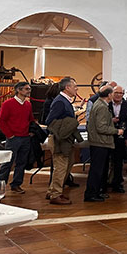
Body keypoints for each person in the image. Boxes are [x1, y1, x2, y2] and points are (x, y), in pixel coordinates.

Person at [45, 77, 82, 205]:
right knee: (60, 167)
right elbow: (50, 120)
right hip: (59, 139)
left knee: (67, 163)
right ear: (67, 87)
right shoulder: (60, 102)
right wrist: (68, 125)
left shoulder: (64, 101)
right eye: (75, 86)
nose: (76, 89)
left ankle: (52, 191)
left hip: (65, 139)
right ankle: (55, 194)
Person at [85, 85, 123, 202]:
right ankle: (91, 194)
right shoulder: (102, 107)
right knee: (97, 170)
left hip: (99, 142)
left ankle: (96, 192)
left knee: (98, 169)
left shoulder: (99, 104)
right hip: (100, 142)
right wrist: (117, 131)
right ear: (109, 95)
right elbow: (101, 127)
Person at [0, 82, 34, 194]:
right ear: (19, 90)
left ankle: (16, 184)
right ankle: (1, 186)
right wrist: (10, 135)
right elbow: (1, 121)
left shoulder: (28, 105)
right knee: (7, 162)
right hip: (13, 138)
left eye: (29, 89)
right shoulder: (8, 104)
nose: (29, 91)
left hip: (25, 137)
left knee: (21, 162)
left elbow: (30, 119)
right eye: (27, 89)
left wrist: (31, 131)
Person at [107, 85, 127, 193]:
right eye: (116, 93)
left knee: (118, 162)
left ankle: (117, 183)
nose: (118, 95)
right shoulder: (107, 104)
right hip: (108, 136)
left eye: (120, 93)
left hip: (121, 137)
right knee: (107, 161)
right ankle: (105, 182)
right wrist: (110, 120)